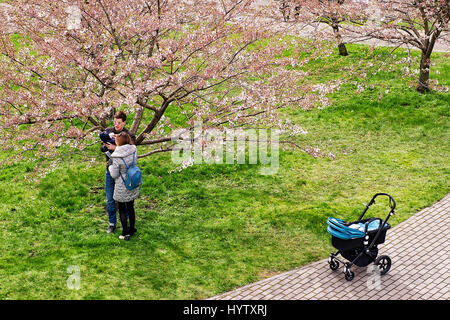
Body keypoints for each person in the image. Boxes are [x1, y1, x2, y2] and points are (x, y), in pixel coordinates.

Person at [100, 111, 136, 233]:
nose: (116, 125)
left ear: (124, 122)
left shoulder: (129, 135)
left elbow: (131, 150)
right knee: (110, 199)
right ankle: (112, 223)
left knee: (125, 200)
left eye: (119, 123)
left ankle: (125, 224)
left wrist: (116, 148)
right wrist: (106, 146)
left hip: (124, 173)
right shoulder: (108, 131)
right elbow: (101, 147)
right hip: (110, 169)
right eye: (115, 122)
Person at [108, 132, 140, 241]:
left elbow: (114, 174)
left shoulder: (116, 156)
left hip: (122, 184)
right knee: (131, 207)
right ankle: (132, 229)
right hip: (132, 180)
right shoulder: (133, 149)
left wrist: (110, 167)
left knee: (122, 209)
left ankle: (125, 233)